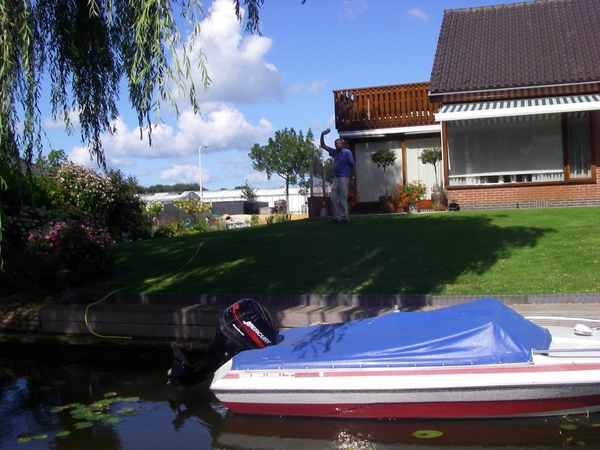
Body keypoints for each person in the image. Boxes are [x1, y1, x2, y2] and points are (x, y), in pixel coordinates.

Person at [320, 128, 356, 223]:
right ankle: (337, 217)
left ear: (342, 144)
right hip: (336, 178)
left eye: (339, 143)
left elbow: (353, 165)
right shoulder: (334, 152)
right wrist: (322, 134)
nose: (337, 145)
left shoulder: (347, 153)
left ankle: (345, 218)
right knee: (333, 198)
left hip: (344, 178)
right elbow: (323, 145)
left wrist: (352, 178)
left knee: (343, 197)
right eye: (336, 144)